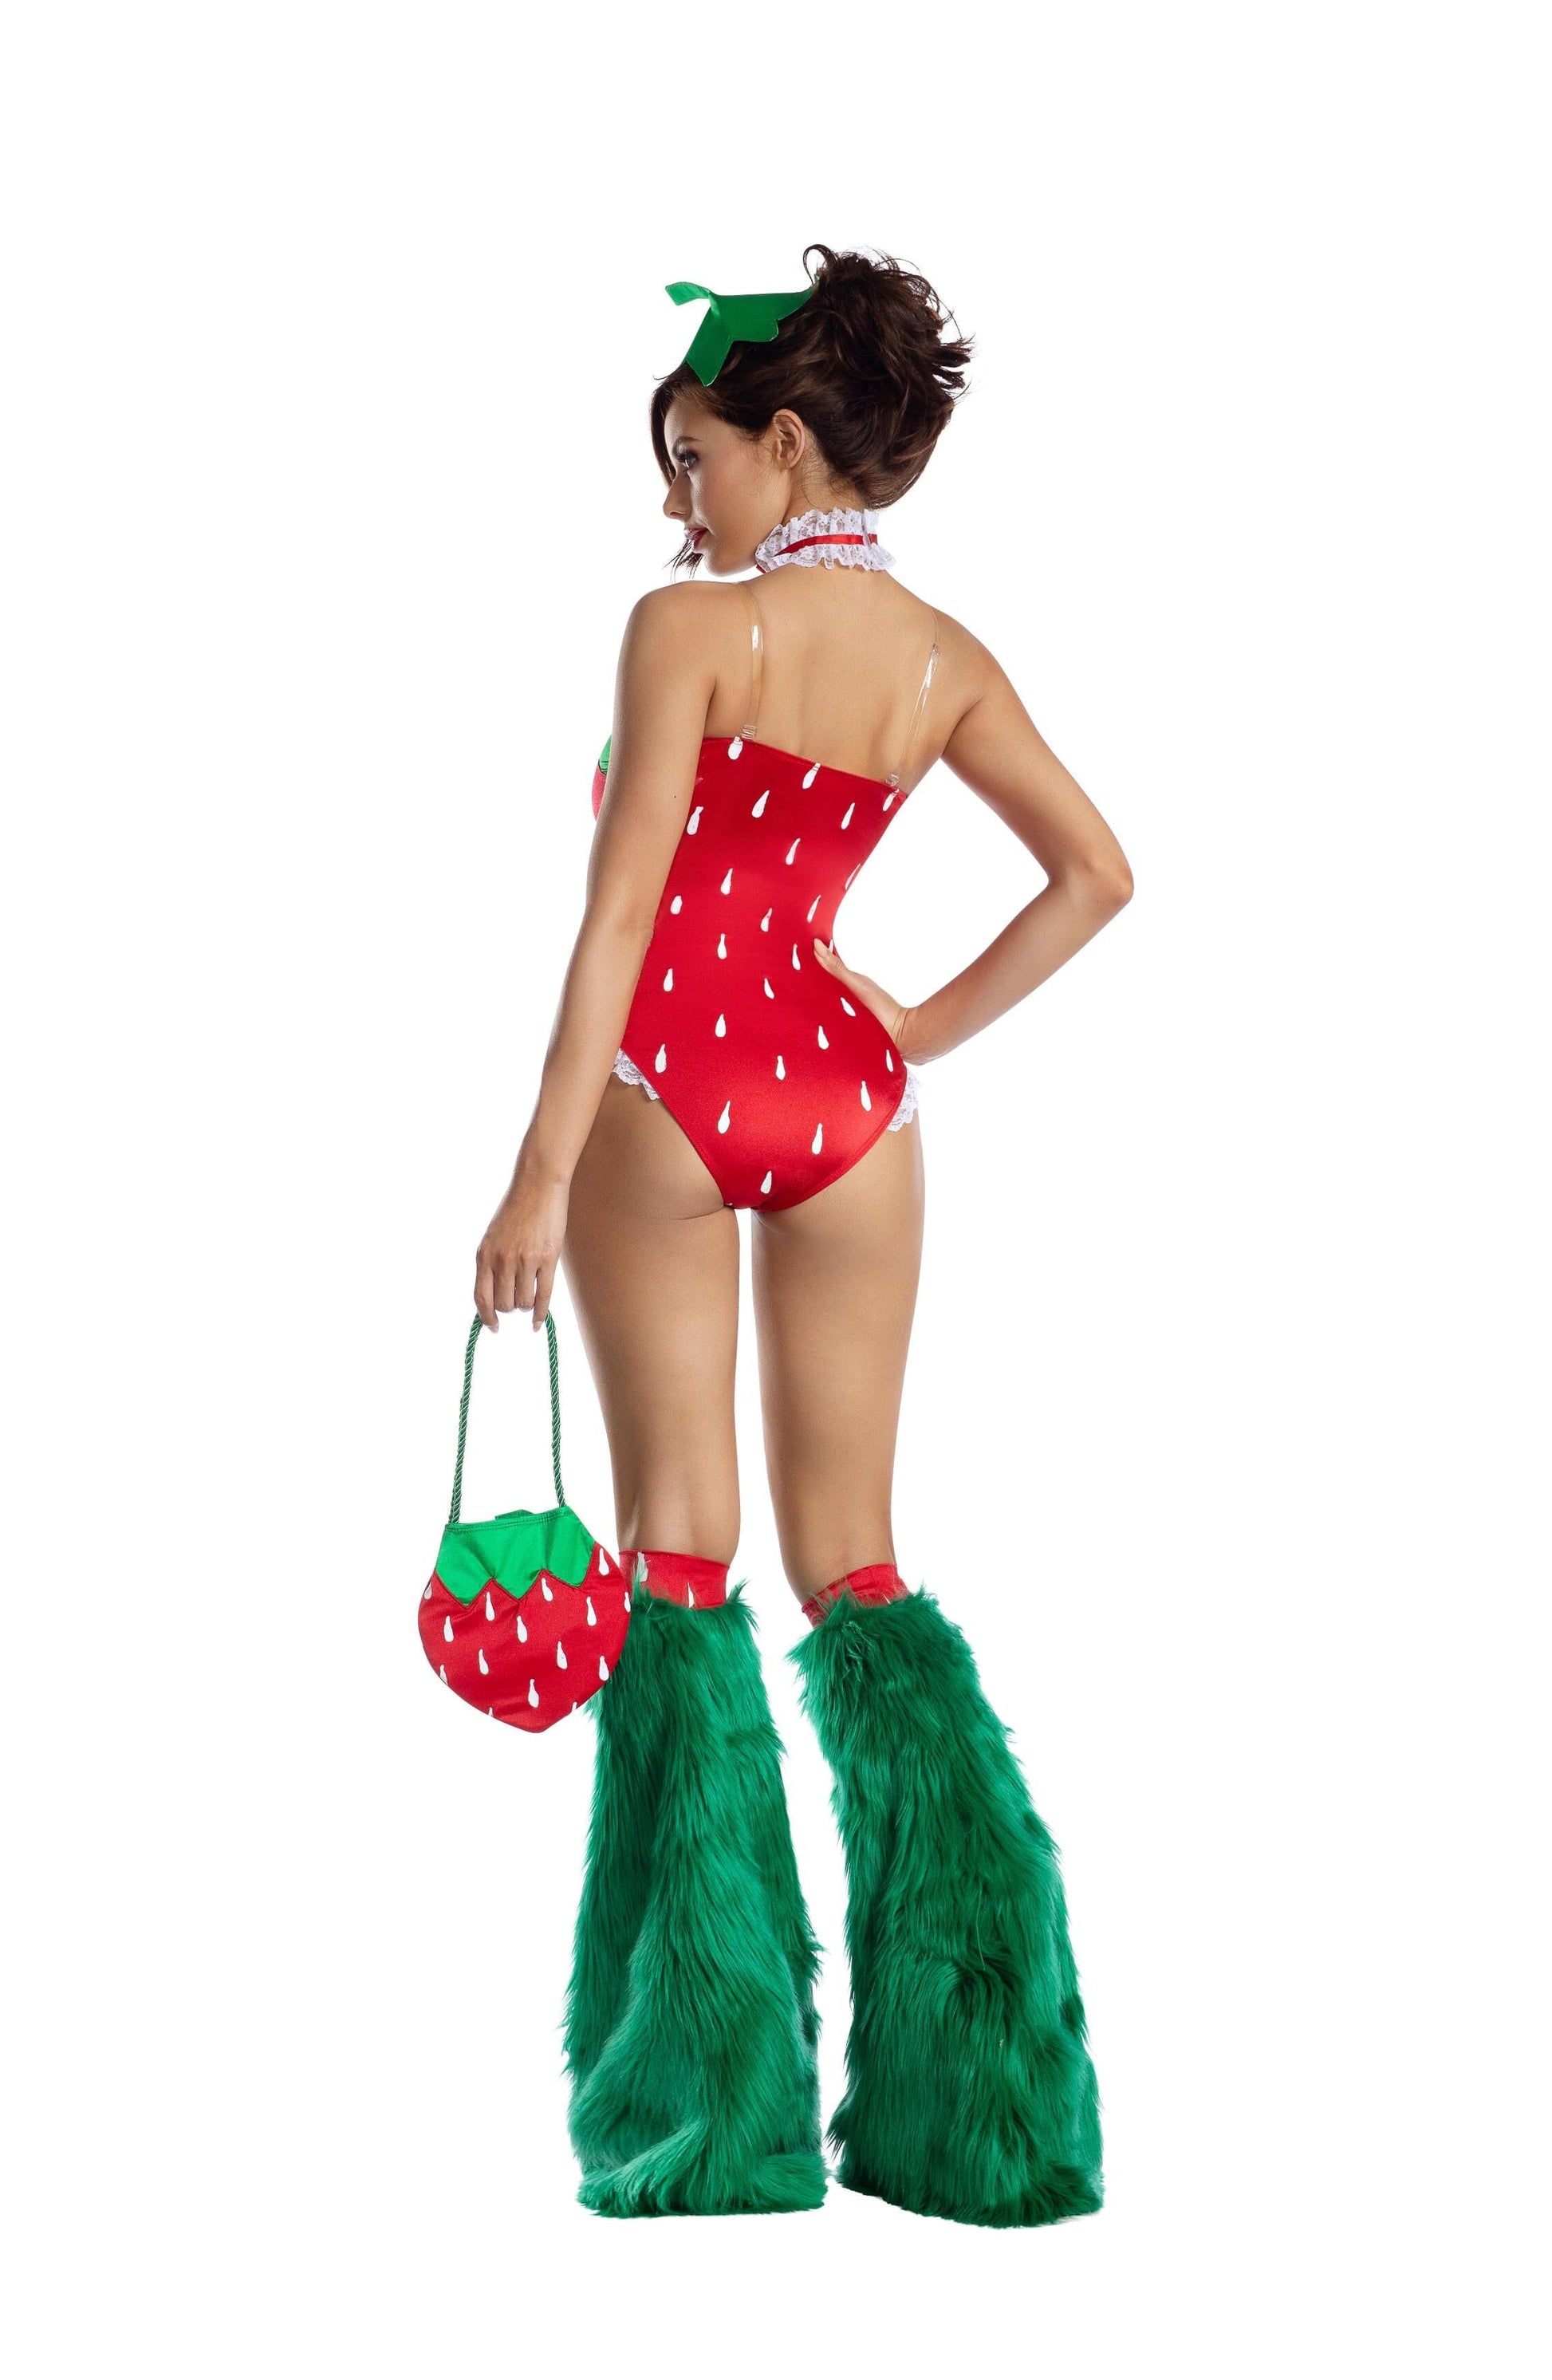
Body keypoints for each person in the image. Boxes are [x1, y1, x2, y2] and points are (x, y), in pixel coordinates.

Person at [473, 245, 1133, 2224]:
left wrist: (536, 1167)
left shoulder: (688, 629)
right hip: (851, 1109)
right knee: (860, 1569)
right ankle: (983, 2113)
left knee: (681, 1567)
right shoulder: (942, 658)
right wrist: (910, 1025)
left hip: (665, 1090)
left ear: (782, 441)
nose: (678, 503)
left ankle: (711, 2115)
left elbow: (619, 916)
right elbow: (1097, 872)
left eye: (693, 458)